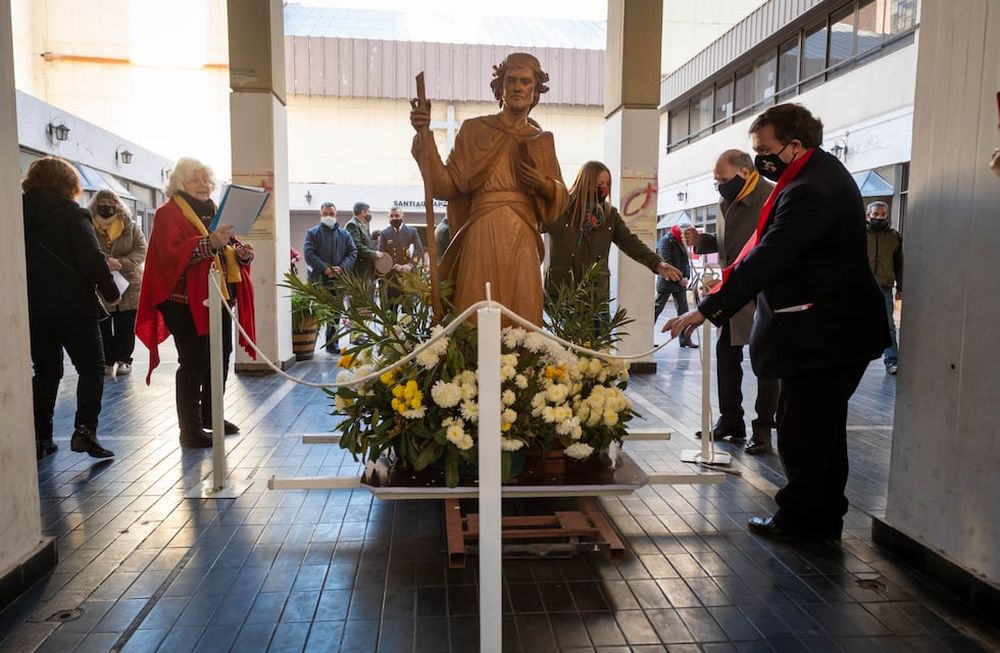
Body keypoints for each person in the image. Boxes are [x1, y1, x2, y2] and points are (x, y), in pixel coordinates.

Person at [665, 104, 888, 542]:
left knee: (805, 431)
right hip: (832, 330)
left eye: (765, 149)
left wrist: (706, 308)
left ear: (794, 145)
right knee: (817, 430)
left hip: (827, 332)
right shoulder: (810, 175)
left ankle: (804, 522)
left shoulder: (810, 188)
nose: (760, 158)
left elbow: (768, 257)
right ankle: (821, 518)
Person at [410, 52, 568, 325]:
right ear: (500, 87)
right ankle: (472, 366)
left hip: (524, 234)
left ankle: (523, 367)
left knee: (524, 311)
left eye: (526, 82)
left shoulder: (541, 141)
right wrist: (424, 135)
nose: (518, 87)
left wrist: (543, 184)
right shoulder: (474, 130)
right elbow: (445, 185)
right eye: (511, 80)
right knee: (476, 309)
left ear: (536, 91)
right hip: (482, 230)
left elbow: (560, 202)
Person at [136, 158, 257, 449]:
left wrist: (242, 253)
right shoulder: (168, 213)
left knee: (222, 356)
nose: (203, 185)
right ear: (180, 183)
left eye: (206, 179)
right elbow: (171, 256)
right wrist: (213, 243)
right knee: (194, 361)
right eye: (195, 180)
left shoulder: (215, 210)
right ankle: (189, 429)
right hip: (182, 301)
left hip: (218, 297)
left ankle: (212, 417)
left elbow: (228, 245)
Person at [682, 150, 780, 454]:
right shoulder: (726, 201)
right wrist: (702, 240)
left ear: (745, 174)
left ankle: (763, 429)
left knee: (766, 364)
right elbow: (729, 246)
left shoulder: (772, 197)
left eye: (722, 179)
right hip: (733, 290)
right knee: (726, 357)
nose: (719, 185)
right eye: (717, 180)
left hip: (763, 290)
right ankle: (731, 420)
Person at [22, 157, 118, 460]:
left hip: (33, 307)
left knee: (46, 372)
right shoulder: (73, 214)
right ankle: (85, 431)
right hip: (75, 308)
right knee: (91, 368)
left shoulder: (16, 210)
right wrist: (111, 291)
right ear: (69, 184)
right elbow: (90, 259)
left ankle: (41, 438)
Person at [546, 160, 680, 313]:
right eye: (599, 183)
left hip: (595, 298)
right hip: (563, 297)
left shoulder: (609, 215)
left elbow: (631, 243)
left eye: (607, 184)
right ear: (585, 182)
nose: (604, 189)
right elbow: (535, 225)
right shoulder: (561, 209)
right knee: (563, 338)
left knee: (598, 337)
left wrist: (657, 263)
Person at [87, 190, 147, 377]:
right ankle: (107, 361)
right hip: (101, 281)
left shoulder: (130, 225)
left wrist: (122, 263)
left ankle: (124, 360)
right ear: (96, 205)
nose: (106, 206)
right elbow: (87, 248)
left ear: (117, 204)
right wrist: (104, 260)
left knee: (126, 325)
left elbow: (141, 249)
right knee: (103, 325)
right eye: (102, 202)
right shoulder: (88, 225)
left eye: (110, 202)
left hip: (129, 282)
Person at [303, 202, 357, 353]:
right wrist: (325, 269)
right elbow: (309, 254)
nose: (328, 216)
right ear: (320, 215)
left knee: (335, 314)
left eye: (331, 214)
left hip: (339, 281)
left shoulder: (345, 234)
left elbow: (352, 252)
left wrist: (342, 268)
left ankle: (332, 344)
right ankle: (310, 344)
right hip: (319, 280)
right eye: (325, 213)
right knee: (318, 313)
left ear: (336, 214)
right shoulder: (312, 233)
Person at [865, 201, 903, 375]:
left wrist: (900, 287)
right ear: (868, 215)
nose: (879, 217)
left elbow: (899, 264)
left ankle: (891, 359)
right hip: (860, 287)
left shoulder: (894, 237)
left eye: (883, 215)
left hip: (884, 288)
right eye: (875, 214)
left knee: (888, 325)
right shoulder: (859, 235)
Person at [653, 224, 696, 348]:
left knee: (684, 312)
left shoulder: (681, 241)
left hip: (680, 282)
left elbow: (685, 261)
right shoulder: (666, 240)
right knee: (657, 309)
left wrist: (686, 277)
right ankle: (646, 337)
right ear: (679, 232)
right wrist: (679, 279)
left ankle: (685, 339)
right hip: (667, 281)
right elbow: (666, 262)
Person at [377, 206, 425, 309]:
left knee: (407, 309)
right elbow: (382, 253)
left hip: (407, 276)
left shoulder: (412, 231)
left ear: (403, 216)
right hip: (391, 276)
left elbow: (418, 249)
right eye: (391, 216)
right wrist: (394, 265)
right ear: (388, 218)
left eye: (397, 215)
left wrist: (411, 264)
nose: (394, 218)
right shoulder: (384, 233)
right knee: (390, 307)